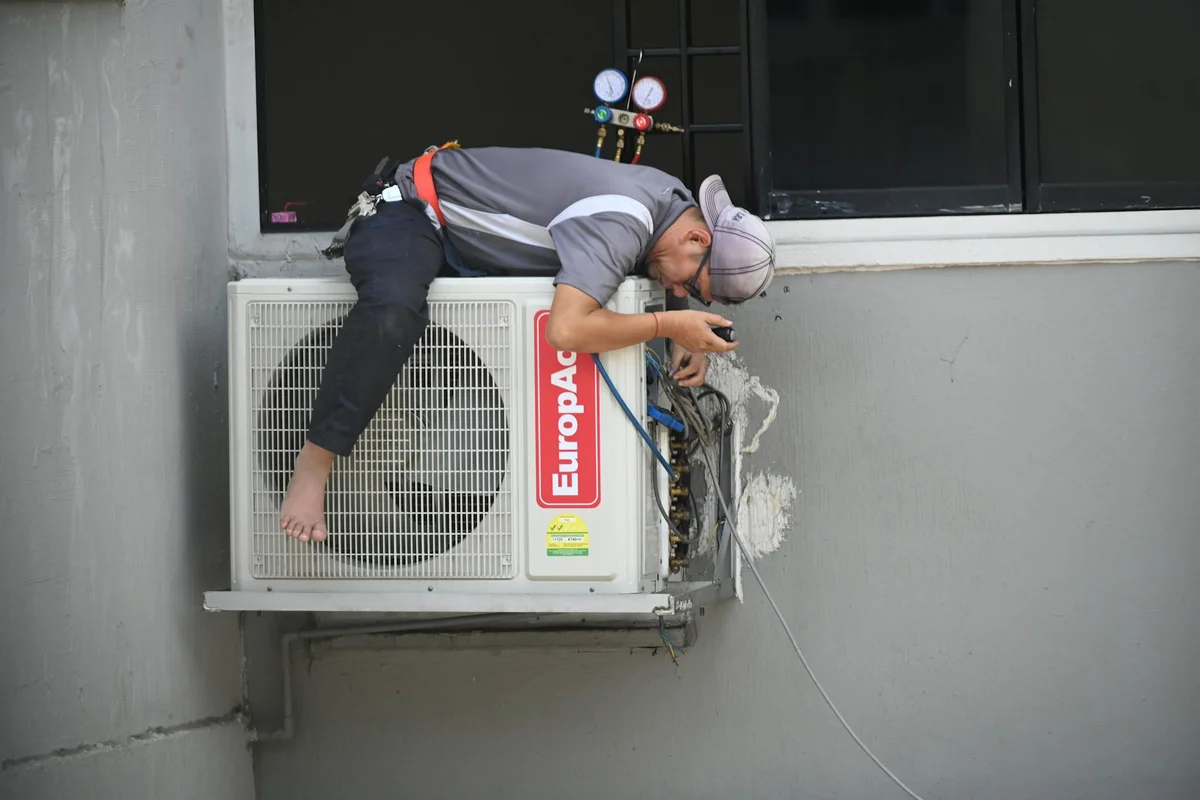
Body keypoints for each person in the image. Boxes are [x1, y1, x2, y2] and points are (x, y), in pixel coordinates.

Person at [280, 144, 777, 544]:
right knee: (393, 312)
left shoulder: (673, 201)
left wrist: (684, 325)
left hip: (466, 246)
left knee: (457, 357)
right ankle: (313, 463)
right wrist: (668, 325)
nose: (676, 290)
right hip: (410, 209)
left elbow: (667, 265)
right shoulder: (623, 221)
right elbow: (565, 330)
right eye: (690, 285)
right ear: (698, 238)